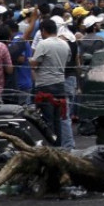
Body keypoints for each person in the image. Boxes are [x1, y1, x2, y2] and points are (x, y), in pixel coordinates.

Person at [31, 19, 73, 148]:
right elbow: (68, 60)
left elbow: (35, 63)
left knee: (47, 121)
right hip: (60, 85)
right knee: (57, 120)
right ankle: (58, 147)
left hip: (45, 87)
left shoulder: (43, 44)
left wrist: (29, 61)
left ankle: (50, 148)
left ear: (43, 31)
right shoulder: (65, 44)